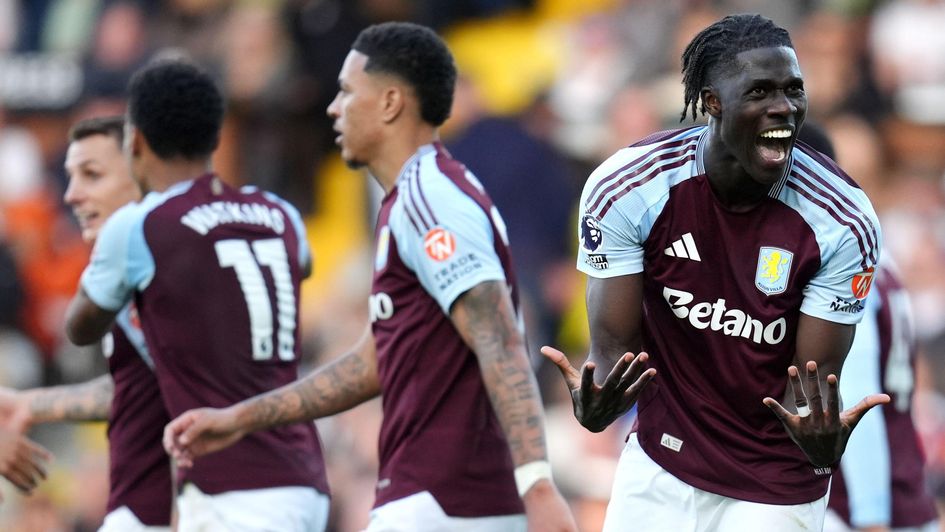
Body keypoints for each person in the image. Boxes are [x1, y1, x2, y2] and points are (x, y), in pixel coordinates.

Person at [163, 21, 576, 532]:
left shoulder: (430, 198)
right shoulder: (410, 201)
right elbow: (373, 362)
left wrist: (537, 483)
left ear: (389, 103)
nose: (333, 108)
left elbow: (500, 340)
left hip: (445, 502)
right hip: (436, 499)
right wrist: (240, 418)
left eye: (346, 91)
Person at [541, 13, 888, 532]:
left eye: (794, 90)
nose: (784, 108)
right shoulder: (629, 188)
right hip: (664, 459)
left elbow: (810, 387)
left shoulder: (842, 220)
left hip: (775, 478)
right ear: (711, 101)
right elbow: (615, 353)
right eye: (760, 92)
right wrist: (599, 404)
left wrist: (818, 444)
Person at [64, 60, 330, 531]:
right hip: (304, 477)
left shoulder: (142, 224)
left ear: (135, 142)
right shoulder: (279, 213)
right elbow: (301, 264)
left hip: (231, 490)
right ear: (215, 138)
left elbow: (80, 327)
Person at [0, 115, 172, 530]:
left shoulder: (173, 262)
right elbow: (148, 384)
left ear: (141, 175)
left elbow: (206, 393)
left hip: (214, 501)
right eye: (71, 178)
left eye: (92, 175)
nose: (73, 195)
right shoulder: (136, 264)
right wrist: (32, 405)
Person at [795, 125, 941, 532]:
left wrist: (870, 517)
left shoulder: (843, 267)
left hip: (861, 507)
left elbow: (858, 405)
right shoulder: (883, 256)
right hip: (906, 494)